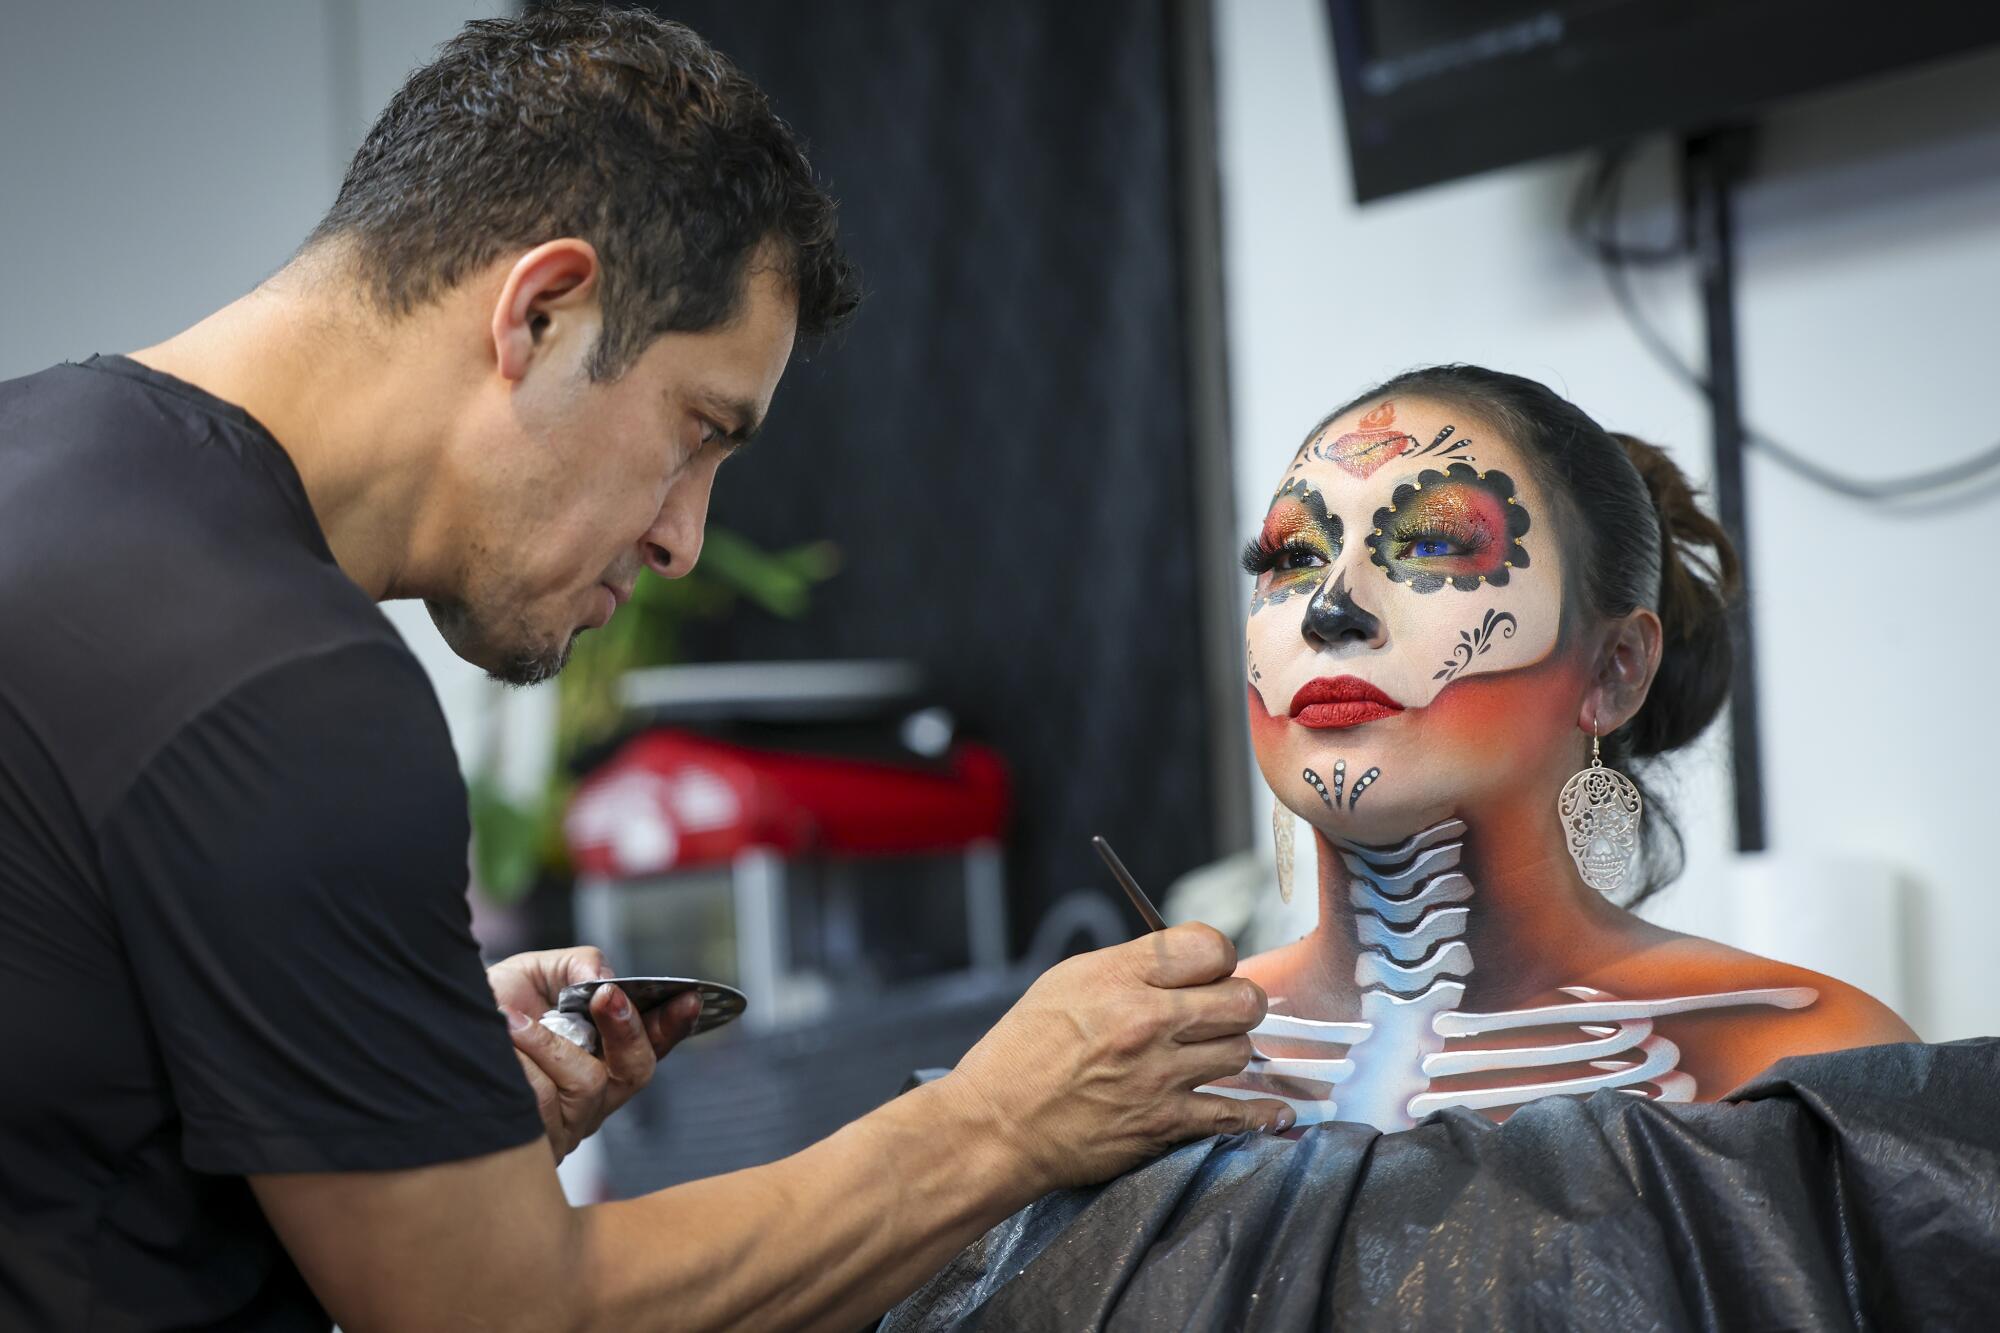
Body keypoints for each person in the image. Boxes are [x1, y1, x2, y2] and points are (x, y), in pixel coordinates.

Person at [0, 8, 1293, 1330]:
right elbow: (508, 1320)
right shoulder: (275, 686)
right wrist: (1002, 1121)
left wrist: (382, 1089)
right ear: (544, 311)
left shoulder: (41, 470)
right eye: (696, 434)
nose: (683, 538)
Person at [1211, 365, 1916, 1130]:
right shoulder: (1136, 1074)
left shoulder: (1799, 1058)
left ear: (1614, 671)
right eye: (1293, 556)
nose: (1331, 608)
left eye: (1436, 544)